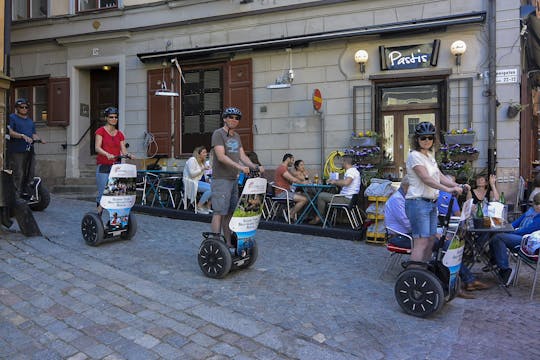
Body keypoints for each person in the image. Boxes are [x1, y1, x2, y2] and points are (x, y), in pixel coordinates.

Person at [386, 175, 487, 296]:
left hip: (414, 234)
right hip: (401, 237)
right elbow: (410, 224)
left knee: (448, 242)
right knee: (445, 245)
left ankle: (459, 281)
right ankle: (454, 283)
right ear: (407, 187)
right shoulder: (397, 200)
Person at [405, 122, 469, 263]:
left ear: (434, 139)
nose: (427, 141)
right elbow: (426, 179)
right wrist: (448, 190)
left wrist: (458, 185)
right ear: (417, 139)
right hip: (417, 202)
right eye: (423, 138)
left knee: (431, 239)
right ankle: (415, 272)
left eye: (430, 138)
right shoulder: (414, 156)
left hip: (431, 203)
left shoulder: (429, 156)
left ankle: (425, 270)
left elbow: (439, 176)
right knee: (421, 241)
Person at [211, 107, 263, 247]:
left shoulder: (236, 136)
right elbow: (221, 157)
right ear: (224, 118)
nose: (234, 120)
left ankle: (228, 243)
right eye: (231, 117)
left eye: (236, 118)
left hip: (233, 180)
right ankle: (216, 243)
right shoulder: (218, 134)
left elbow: (242, 156)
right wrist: (240, 167)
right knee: (219, 212)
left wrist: (255, 166)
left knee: (229, 213)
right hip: (221, 179)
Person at [489, 192, 540, 286]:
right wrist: (507, 227)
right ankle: (495, 260)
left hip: (528, 242)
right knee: (495, 234)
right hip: (520, 236)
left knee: (499, 238)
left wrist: (508, 231)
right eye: (536, 204)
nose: (538, 206)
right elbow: (516, 223)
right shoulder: (530, 212)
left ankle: (504, 269)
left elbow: (526, 231)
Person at [95, 107, 132, 215]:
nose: (114, 119)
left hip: (116, 167)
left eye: (116, 117)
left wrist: (129, 155)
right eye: (111, 117)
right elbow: (97, 147)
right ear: (106, 118)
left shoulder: (120, 134)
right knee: (103, 194)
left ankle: (116, 220)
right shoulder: (100, 131)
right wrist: (107, 154)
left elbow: (123, 150)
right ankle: (98, 217)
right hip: (104, 166)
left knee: (117, 194)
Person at [7, 98, 46, 198]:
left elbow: (33, 134)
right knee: (18, 173)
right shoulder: (12, 118)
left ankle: (27, 192)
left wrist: (40, 139)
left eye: (26, 107)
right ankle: (16, 196)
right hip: (16, 150)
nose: (24, 109)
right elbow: (10, 132)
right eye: (22, 107)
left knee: (30, 172)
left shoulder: (30, 121)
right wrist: (22, 136)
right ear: (17, 108)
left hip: (29, 150)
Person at [308, 155, 360, 225]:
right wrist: (336, 182)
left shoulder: (350, 171)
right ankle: (325, 218)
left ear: (345, 162)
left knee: (321, 195)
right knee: (331, 192)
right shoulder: (354, 171)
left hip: (346, 199)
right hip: (351, 198)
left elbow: (346, 182)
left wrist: (334, 181)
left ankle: (318, 217)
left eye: (342, 161)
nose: (341, 163)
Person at [274, 153, 308, 222]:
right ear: (288, 159)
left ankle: (290, 212)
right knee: (304, 199)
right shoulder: (282, 168)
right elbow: (292, 179)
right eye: (292, 160)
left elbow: (291, 182)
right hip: (282, 194)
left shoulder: (284, 168)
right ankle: (291, 213)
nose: (293, 163)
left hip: (286, 192)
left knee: (305, 196)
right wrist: (302, 182)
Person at [183, 146, 212, 214]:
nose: (206, 154)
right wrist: (203, 169)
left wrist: (207, 178)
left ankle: (207, 206)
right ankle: (199, 206)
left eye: (206, 152)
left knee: (215, 187)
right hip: (190, 182)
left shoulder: (201, 162)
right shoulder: (192, 160)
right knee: (211, 189)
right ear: (198, 154)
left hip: (197, 182)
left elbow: (203, 174)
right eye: (204, 152)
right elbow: (192, 174)